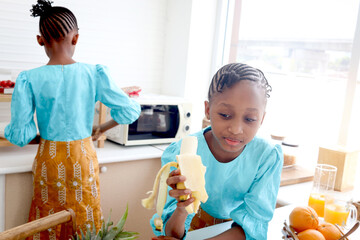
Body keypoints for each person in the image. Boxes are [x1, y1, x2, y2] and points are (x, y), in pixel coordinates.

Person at [4, 0, 141, 239]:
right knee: (85, 216)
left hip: (49, 159)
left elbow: (20, 136)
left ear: (40, 40)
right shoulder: (93, 72)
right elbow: (129, 111)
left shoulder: (29, 78)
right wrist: (101, 127)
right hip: (83, 157)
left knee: (47, 219)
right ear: (76, 38)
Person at [150, 63, 283, 240]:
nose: (236, 129)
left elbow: (253, 227)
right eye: (225, 115)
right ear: (207, 110)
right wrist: (181, 207)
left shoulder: (267, 156)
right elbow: (171, 234)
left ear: (262, 119)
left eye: (250, 119)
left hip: (235, 232)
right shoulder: (179, 152)